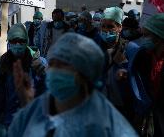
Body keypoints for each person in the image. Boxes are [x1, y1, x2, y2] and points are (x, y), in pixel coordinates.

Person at [8, 33, 137, 137]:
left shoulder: (110, 125)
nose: (53, 71)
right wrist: (27, 102)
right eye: (52, 64)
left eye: (62, 65)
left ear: (84, 73)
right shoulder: (35, 110)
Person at [0, 23, 47, 126]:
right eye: (14, 41)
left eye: (21, 41)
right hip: (10, 122)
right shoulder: (3, 66)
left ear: (27, 41)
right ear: (9, 42)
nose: (17, 44)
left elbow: (48, 94)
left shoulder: (38, 64)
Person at [126, 14, 164, 136]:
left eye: (147, 35)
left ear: (159, 37)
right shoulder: (144, 56)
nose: (143, 39)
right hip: (150, 115)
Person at [96, 7, 132, 119]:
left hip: (122, 106)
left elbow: (136, 79)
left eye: (111, 27)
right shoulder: (95, 48)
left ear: (119, 27)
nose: (106, 30)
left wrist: (124, 66)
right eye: (103, 26)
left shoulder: (129, 48)